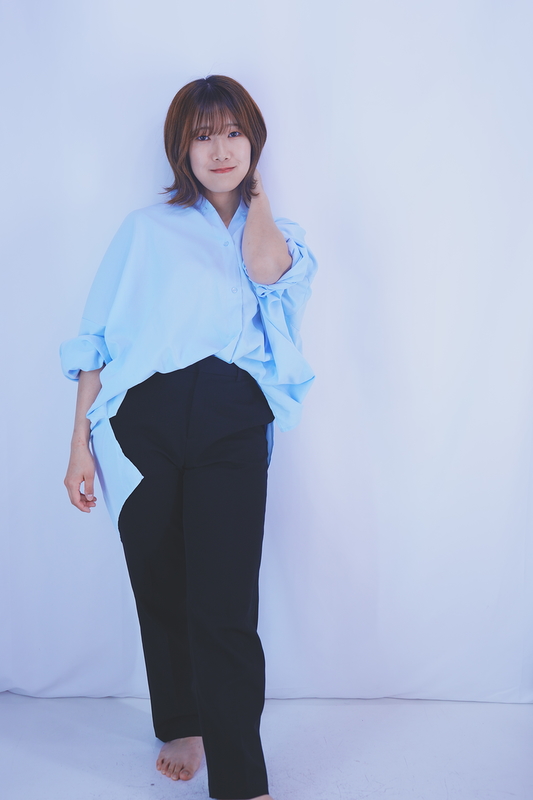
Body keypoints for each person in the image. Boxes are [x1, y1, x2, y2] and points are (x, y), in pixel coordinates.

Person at [61, 74, 317, 800]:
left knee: (225, 603)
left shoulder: (281, 237)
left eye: (233, 133)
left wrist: (254, 196)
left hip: (232, 419)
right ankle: (181, 721)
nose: (219, 149)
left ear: (254, 142)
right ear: (181, 148)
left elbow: (265, 271)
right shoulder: (144, 230)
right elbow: (95, 340)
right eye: (203, 136)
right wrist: (78, 445)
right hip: (142, 419)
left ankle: (241, 780)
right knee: (159, 582)